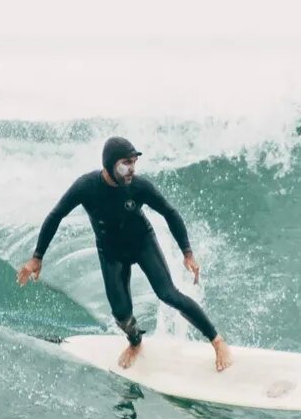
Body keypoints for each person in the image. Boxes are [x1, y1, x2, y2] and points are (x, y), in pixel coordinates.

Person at [17, 136, 233, 372]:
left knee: (168, 294)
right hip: (110, 252)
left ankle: (217, 341)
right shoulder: (86, 187)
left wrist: (187, 252)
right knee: (121, 313)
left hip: (142, 243)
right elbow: (55, 215)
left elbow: (169, 212)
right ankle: (135, 343)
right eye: (125, 163)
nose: (131, 169)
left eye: (133, 163)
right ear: (109, 164)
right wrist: (37, 257)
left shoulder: (138, 187)